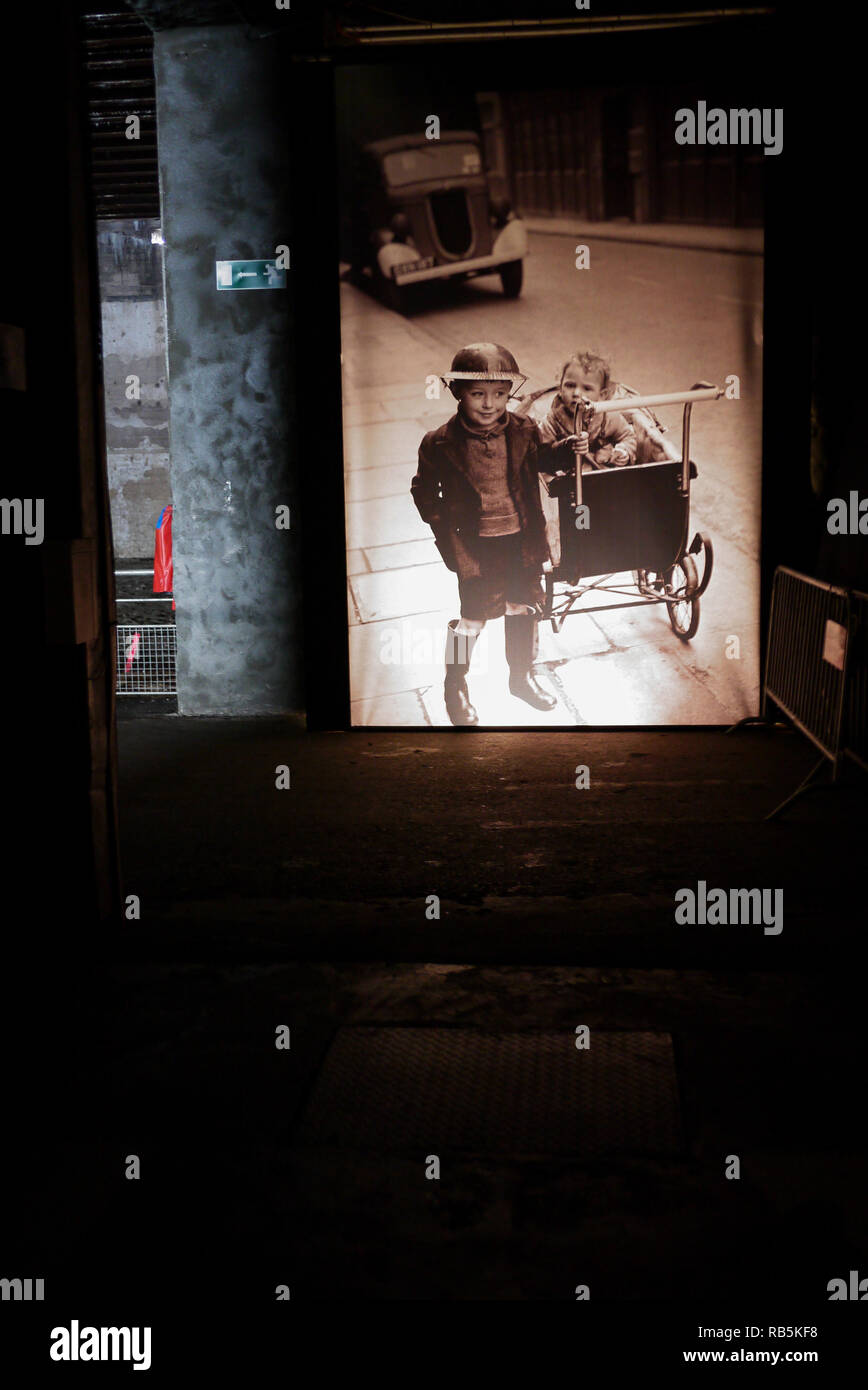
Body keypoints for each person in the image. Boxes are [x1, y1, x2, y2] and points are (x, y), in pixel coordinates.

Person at [410, 342, 575, 726]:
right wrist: (442, 525)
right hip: (474, 547)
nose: (489, 404)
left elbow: (547, 458)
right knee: (473, 620)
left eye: (500, 394)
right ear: (459, 393)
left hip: (521, 540)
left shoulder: (523, 430)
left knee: (523, 607)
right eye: (478, 394)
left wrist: (569, 448)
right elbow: (422, 489)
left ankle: (521, 677)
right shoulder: (439, 442)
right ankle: (455, 685)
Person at [538, 350, 637, 469]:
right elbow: (543, 454)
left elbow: (628, 436)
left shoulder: (608, 416)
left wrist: (623, 451)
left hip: (602, 473)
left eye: (587, 388)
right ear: (560, 388)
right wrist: (564, 448)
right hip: (567, 475)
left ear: (602, 395)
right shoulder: (552, 420)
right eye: (570, 385)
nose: (576, 393)